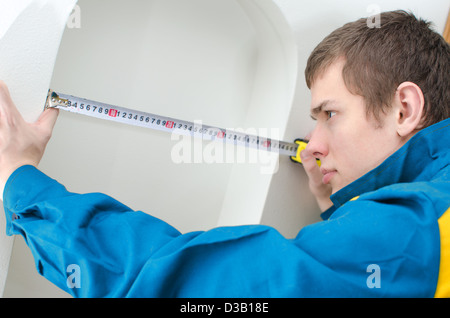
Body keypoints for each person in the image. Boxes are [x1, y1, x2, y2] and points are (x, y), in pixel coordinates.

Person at [0, 10, 449, 298]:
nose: (312, 143)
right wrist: (337, 209)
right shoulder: (428, 211)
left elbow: (187, 286)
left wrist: (20, 180)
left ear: (404, 108)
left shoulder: (408, 230)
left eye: (330, 114)